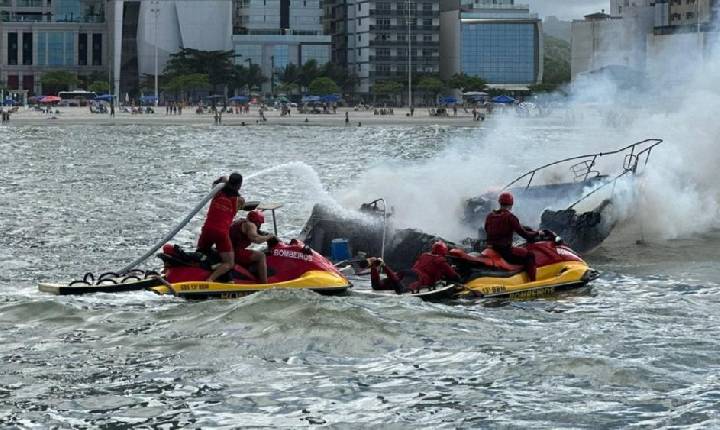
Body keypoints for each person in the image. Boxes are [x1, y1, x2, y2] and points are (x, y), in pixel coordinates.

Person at [196, 173, 245, 282]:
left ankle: (200, 271)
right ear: (239, 185)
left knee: (200, 253)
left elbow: (215, 183)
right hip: (221, 233)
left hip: (207, 229)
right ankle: (210, 280)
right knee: (229, 263)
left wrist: (223, 180)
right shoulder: (239, 200)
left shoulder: (217, 192)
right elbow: (242, 205)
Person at [365, 241, 460, 293]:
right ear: (444, 252)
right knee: (401, 290)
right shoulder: (441, 260)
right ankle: (384, 266)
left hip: (406, 272)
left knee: (377, 286)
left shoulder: (424, 255)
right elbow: (454, 276)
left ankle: (374, 266)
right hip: (415, 277)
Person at [484, 192, 539, 281]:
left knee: (518, 250)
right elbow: (524, 234)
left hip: (492, 249)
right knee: (530, 255)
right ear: (511, 204)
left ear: (500, 203)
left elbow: (486, 229)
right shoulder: (510, 217)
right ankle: (533, 281)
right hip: (505, 252)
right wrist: (537, 233)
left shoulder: (490, 216)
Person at [229, 210, 274, 284]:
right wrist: (268, 237)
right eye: (260, 223)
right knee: (261, 256)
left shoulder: (240, 221)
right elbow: (256, 240)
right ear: (257, 222)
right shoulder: (251, 225)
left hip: (228, 250)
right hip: (236, 252)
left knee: (253, 252)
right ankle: (264, 283)